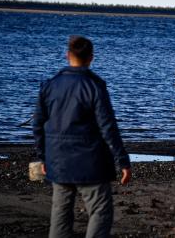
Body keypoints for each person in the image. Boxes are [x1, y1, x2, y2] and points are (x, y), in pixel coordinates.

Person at [33, 35, 131, 238]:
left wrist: (43, 157)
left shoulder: (50, 85)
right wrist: (122, 160)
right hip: (91, 162)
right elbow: (108, 126)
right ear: (91, 58)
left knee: (60, 215)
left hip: (58, 159)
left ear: (68, 55)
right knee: (100, 211)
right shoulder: (95, 85)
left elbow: (38, 125)